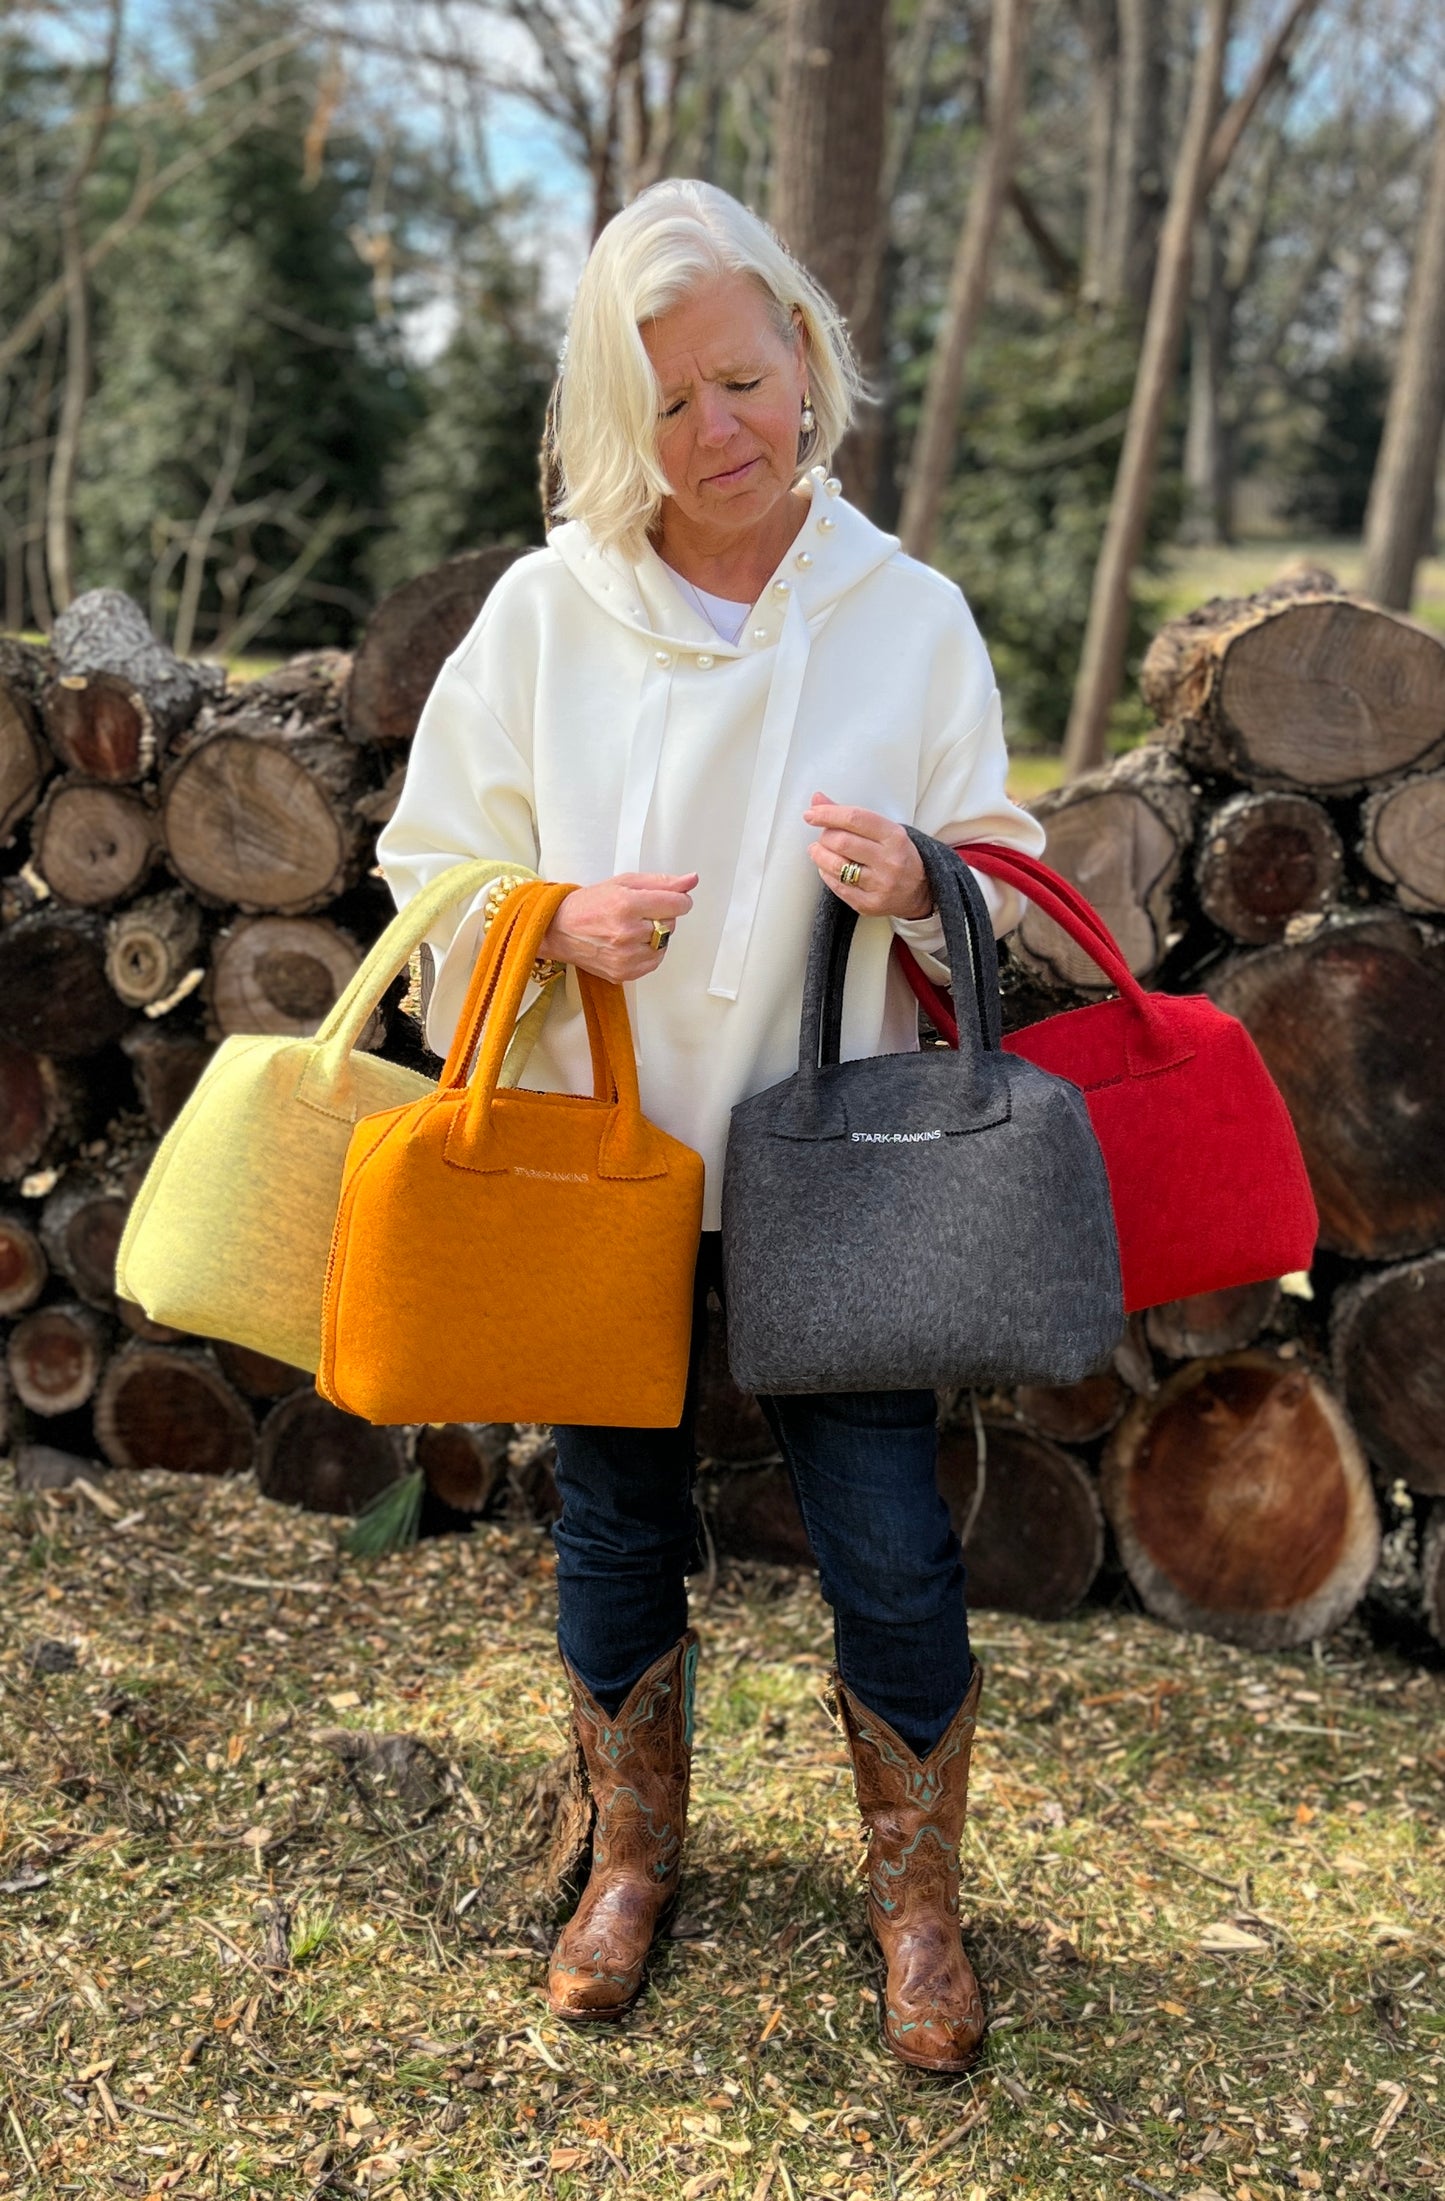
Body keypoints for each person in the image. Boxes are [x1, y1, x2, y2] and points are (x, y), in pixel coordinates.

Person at [377, 177, 1046, 2075]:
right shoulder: (540, 617)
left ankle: (915, 1902)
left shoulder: (903, 616)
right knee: (610, 1517)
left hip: (835, 1168)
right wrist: (546, 922)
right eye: (665, 402)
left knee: (887, 1540)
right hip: (612, 1155)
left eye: (742, 378)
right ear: (612, 420)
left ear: (806, 365)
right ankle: (629, 1858)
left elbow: (1003, 864)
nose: (717, 431)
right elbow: (430, 868)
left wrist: (926, 873)